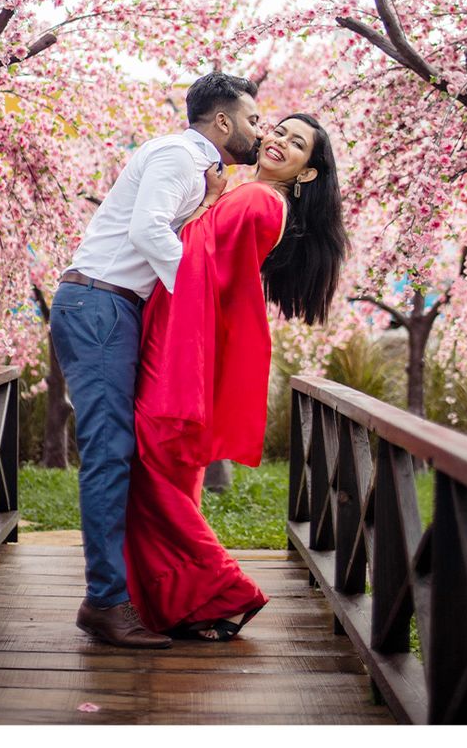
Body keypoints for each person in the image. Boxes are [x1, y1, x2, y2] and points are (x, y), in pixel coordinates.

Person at [49, 73, 263, 648]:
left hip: (112, 309)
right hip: (99, 305)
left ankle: (121, 594)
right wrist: (202, 297)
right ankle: (104, 602)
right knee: (109, 454)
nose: (257, 132)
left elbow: (167, 227)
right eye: (253, 120)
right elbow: (147, 231)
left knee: (121, 453)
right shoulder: (176, 155)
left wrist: (211, 203)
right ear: (222, 122)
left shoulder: (195, 171)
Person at [123, 113, 348, 641]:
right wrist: (210, 200)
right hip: (185, 333)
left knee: (155, 467)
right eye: (280, 131)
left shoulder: (260, 200)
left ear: (307, 172)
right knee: (170, 471)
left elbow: (201, 262)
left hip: (183, 340)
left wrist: (206, 203)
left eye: (298, 145)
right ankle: (184, 605)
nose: (280, 143)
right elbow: (205, 249)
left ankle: (224, 592)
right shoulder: (253, 196)